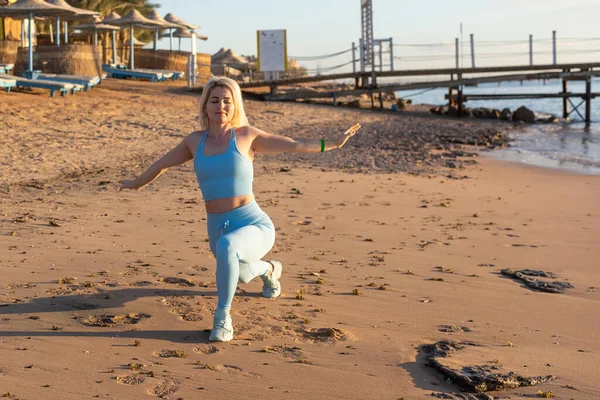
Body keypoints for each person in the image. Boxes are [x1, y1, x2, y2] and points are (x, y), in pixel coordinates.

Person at [119, 77, 361, 342]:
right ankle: (270, 270)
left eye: (227, 101)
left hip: (254, 224)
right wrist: (135, 183)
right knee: (242, 274)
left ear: (234, 106)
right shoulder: (194, 141)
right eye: (214, 100)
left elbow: (293, 144)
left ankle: (222, 318)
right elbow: (160, 164)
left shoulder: (247, 136)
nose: (220, 106)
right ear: (205, 106)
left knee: (228, 249)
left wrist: (332, 144)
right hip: (217, 227)